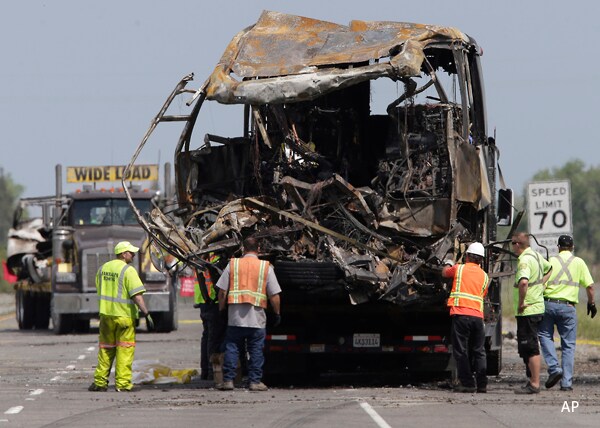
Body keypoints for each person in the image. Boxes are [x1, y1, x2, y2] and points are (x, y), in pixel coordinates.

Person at [216, 237, 281, 392]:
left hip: (235, 317)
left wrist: (222, 309)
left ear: (242, 249)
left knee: (232, 348)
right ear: (258, 249)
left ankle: (228, 380)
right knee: (256, 350)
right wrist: (277, 313)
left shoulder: (233, 264)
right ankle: (254, 381)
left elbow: (222, 292)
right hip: (256, 319)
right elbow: (274, 295)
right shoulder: (265, 267)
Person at [88, 241, 154, 392]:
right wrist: (146, 313)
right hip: (124, 317)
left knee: (105, 349)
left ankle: (100, 382)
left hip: (106, 316)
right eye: (131, 252)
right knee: (125, 350)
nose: (134, 255)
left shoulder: (102, 268)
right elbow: (137, 296)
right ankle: (123, 384)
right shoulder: (128, 270)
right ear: (123, 254)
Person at [538, 235, 596, 391]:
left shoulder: (550, 261)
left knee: (544, 335)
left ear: (558, 247)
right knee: (568, 345)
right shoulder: (579, 263)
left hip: (548, 304)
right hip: (568, 307)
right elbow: (590, 286)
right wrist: (591, 303)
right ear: (573, 247)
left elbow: (540, 283)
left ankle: (554, 367)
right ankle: (566, 383)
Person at [442, 242, 490, 393]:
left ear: (467, 256)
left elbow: (444, 273)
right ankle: (482, 384)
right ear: (481, 260)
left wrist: (449, 261)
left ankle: (468, 383)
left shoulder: (459, 268)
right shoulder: (485, 276)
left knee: (461, 351)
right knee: (479, 351)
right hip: (477, 317)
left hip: (461, 315)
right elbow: (482, 295)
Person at [511, 232, 553, 394]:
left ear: (517, 244)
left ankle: (535, 383)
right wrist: (541, 284)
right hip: (536, 306)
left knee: (530, 346)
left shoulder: (524, 260)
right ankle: (532, 380)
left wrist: (521, 302)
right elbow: (550, 268)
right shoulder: (535, 255)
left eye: (513, 244)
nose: (512, 247)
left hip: (528, 309)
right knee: (526, 346)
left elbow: (523, 282)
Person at [194, 253, 226, 387]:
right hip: (212, 301)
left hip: (204, 301)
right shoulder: (216, 259)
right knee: (213, 337)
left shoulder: (201, 257)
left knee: (207, 337)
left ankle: (206, 371)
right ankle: (212, 371)